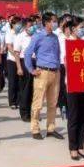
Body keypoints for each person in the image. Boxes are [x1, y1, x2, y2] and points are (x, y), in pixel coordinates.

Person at [24, 12, 63, 140]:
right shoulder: (38, 36)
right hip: (42, 72)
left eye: (56, 21)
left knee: (53, 103)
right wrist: (31, 69)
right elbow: (28, 53)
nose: (55, 23)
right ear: (46, 23)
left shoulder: (55, 37)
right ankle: (35, 129)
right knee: (38, 102)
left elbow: (57, 54)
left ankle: (51, 129)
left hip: (55, 72)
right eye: (53, 21)